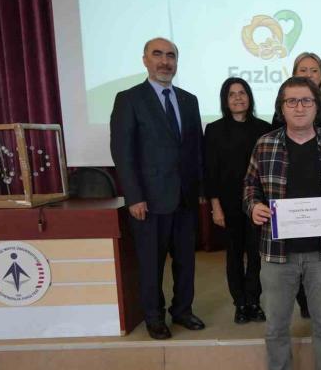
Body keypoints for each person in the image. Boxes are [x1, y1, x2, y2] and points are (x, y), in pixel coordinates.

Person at [244, 76, 321, 370]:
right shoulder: (265, 145)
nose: (299, 107)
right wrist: (254, 206)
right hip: (277, 253)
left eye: (306, 100)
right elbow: (250, 187)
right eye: (291, 101)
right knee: (276, 324)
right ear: (281, 108)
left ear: (316, 106)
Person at [110, 37, 205, 340]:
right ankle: (154, 317)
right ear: (145, 60)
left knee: (186, 262)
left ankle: (182, 310)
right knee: (151, 264)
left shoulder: (189, 100)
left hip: (185, 198)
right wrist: (134, 196)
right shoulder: (129, 99)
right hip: (149, 201)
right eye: (158, 55)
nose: (165, 61)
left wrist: (200, 190)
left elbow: (195, 149)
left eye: (171, 56)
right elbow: (122, 152)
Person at [273, 52, 321, 319]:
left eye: (314, 70)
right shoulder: (285, 106)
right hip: (294, 194)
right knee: (298, 253)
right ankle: (305, 303)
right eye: (302, 70)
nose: (308, 74)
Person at [204, 77, 271, 324]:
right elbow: (210, 171)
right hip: (228, 203)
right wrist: (215, 206)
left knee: (256, 255)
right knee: (234, 255)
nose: (238, 98)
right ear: (225, 100)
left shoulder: (263, 129)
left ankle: (254, 301)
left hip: (257, 203)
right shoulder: (214, 130)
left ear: (249, 97)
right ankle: (240, 303)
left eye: (242, 93)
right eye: (232, 94)